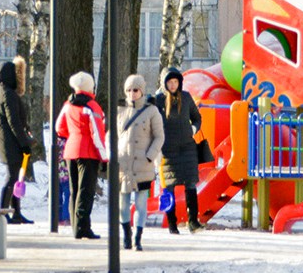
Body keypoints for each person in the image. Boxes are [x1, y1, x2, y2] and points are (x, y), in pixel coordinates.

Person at [54, 71, 108, 239]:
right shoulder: (92, 106)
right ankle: (83, 227)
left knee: (74, 189)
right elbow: (97, 134)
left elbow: (58, 128)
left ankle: (76, 226)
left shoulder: (68, 105)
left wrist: (72, 135)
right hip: (88, 152)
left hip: (70, 150)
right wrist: (104, 156)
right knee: (86, 191)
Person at [116, 74, 164, 251]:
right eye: (128, 90)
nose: (131, 93)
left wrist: (149, 156)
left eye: (135, 90)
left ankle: (137, 238)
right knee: (122, 203)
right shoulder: (119, 110)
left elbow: (159, 136)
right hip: (123, 165)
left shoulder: (152, 111)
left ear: (142, 91)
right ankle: (126, 236)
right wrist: (112, 154)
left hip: (143, 165)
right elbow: (111, 135)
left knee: (141, 203)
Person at [155, 66, 203, 233]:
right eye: (170, 82)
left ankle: (193, 221)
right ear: (165, 83)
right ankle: (172, 223)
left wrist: (193, 130)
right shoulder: (159, 100)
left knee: (190, 185)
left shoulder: (187, 97)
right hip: (167, 151)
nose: (173, 85)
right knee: (168, 188)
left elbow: (197, 118)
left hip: (187, 149)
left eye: (176, 81)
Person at [0, 59, 35, 225]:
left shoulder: (2, 91)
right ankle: (3, 213)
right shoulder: (7, 93)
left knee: (16, 178)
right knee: (12, 178)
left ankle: (15, 213)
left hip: (8, 142)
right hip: (10, 143)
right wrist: (24, 142)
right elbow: (13, 121)